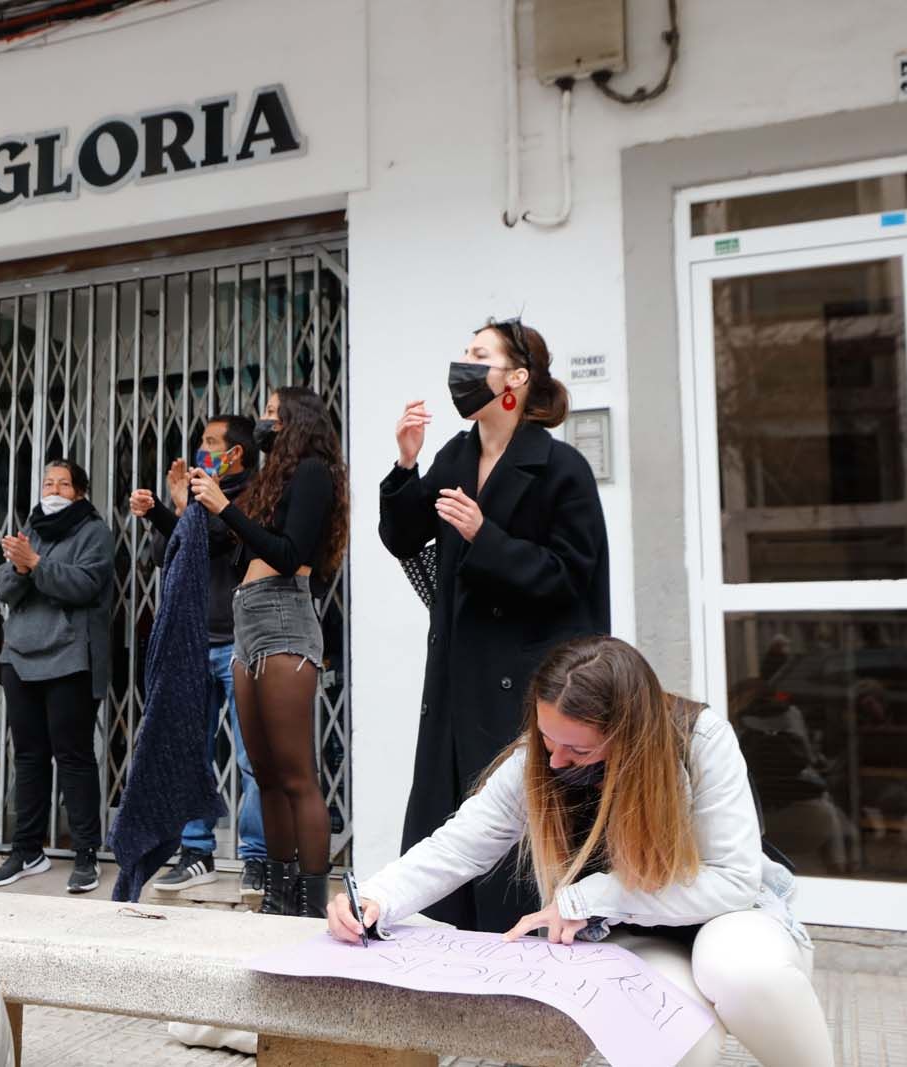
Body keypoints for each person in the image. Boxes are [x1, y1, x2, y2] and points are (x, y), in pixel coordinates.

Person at [330, 636, 834, 1067]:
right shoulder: (539, 760)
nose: (555, 758)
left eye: (579, 749)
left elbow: (732, 881)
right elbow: (458, 847)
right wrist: (376, 897)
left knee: (740, 972)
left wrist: (590, 896)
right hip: (633, 935)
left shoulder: (699, 738)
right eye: (547, 737)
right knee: (678, 1032)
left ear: (630, 734)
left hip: (733, 919)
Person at [379, 317, 609, 932]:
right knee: (449, 817)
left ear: (516, 378)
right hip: (458, 676)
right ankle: (449, 953)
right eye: (465, 354)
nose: (464, 367)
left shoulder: (561, 468)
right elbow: (403, 537)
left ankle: (522, 951)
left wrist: (485, 536)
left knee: (516, 834)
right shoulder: (455, 454)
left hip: (526, 682)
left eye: (479, 356)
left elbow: (570, 575)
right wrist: (406, 466)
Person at [187, 386, 350, 918]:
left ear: (297, 420)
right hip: (248, 620)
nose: (264, 421)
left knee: (295, 772)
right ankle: (279, 900)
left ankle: (310, 902)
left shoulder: (312, 474)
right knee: (266, 771)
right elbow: (235, 545)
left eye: (272, 414)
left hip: (283, 620)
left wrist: (226, 507)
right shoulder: (277, 478)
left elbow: (288, 554)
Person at [129, 415, 268, 899]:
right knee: (192, 751)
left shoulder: (251, 497)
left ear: (238, 453)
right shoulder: (198, 496)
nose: (203, 450)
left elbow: (224, 543)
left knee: (252, 758)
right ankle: (196, 852)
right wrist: (166, 512)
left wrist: (191, 505)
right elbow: (170, 557)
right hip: (193, 641)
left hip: (239, 639)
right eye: (203, 443)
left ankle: (257, 858)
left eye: (212, 443)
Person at [0, 459, 115, 895]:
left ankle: (85, 854)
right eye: (47, 482)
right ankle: (26, 850)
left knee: (75, 757)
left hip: (71, 658)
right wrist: (22, 567)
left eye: (63, 483)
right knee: (28, 757)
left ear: (79, 491)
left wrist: (36, 563)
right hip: (19, 657)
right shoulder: (31, 528)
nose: (54, 489)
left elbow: (85, 585)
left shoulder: (94, 532)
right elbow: (3, 589)